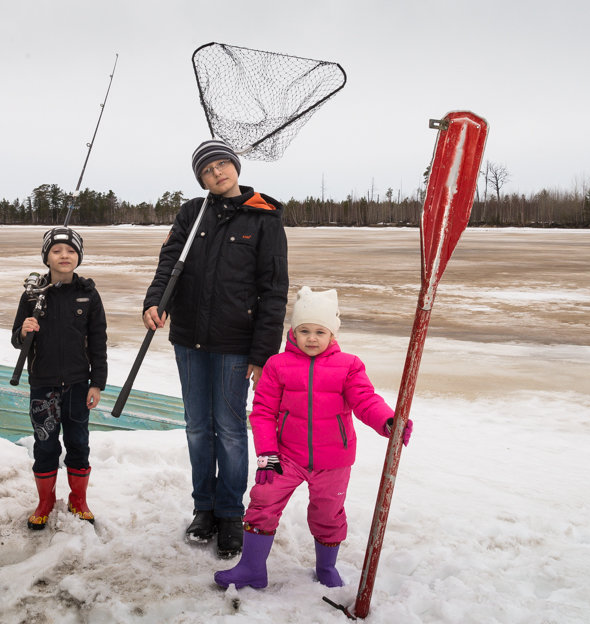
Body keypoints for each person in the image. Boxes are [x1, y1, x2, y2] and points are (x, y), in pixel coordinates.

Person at [143, 139, 289, 559]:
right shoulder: (193, 212)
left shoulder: (264, 216)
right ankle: (203, 508)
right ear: (201, 179)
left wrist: (262, 354)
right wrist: (154, 302)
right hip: (189, 338)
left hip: (233, 344)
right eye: (208, 170)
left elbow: (273, 289)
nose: (217, 173)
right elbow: (169, 262)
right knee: (196, 428)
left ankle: (229, 514)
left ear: (235, 167)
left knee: (228, 430)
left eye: (223, 164)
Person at [214, 286, 413, 589]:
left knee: (328, 514)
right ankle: (252, 569)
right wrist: (267, 455)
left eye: (320, 331)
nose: (311, 338)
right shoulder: (277, 365)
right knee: (263, 501)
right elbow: (263, 412)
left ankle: (326, 567)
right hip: (286, 455)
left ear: (333, 334)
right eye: (304, 330)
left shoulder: (348, 366)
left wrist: (388, 422)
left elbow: (365, 400)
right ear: (293, 331)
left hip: (333, 459)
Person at [11, 227, 108, 530]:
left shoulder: (89, 295)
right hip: (44, 384)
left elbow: (98, 342)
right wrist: (24, 331)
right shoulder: (32, 295)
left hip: (79, 384)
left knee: (79, 443)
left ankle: (78, 500)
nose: (64, 256)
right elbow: (17, 339)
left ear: (78, 256)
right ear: (46, 257)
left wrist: (97, 382)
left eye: (70, 251)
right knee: (46, 445)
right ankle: (45, 501)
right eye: (56, 251)